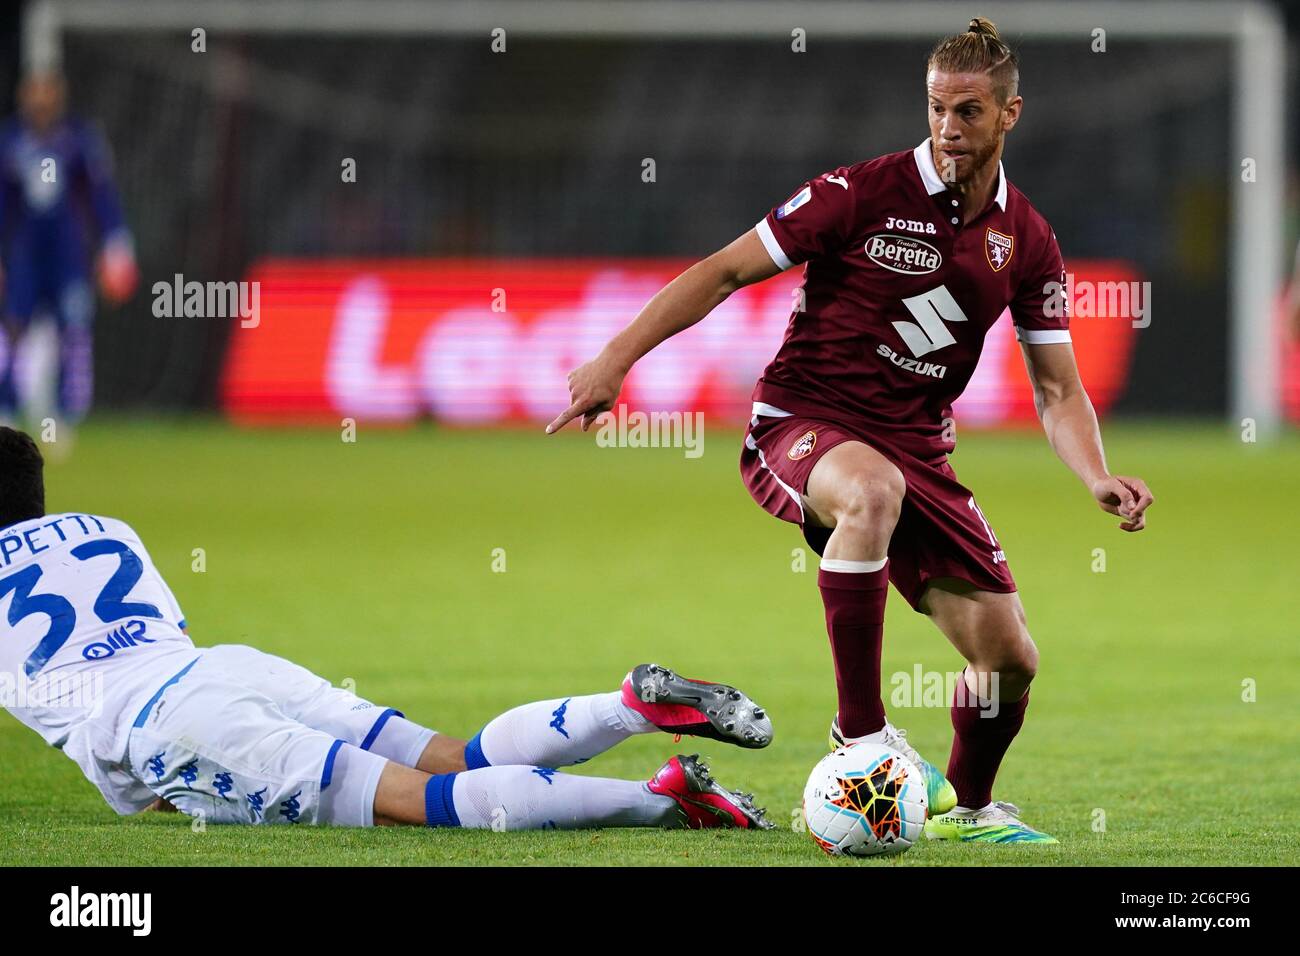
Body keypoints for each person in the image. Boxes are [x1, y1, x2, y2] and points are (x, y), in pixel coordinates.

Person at [548, 17, 1154, 844]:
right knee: (870, 491)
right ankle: (860, 735)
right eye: (937, 107)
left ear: (1011, 113)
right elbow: (724, 270)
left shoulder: (1031, 242)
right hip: (804, 421)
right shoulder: (857, 191)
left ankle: (969, 812)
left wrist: (1097, 476)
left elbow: (1057, 390)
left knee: (1008, 662)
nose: (948, 128)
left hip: (918, 451)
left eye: (970, 111)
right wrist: (616, 359)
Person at [0, 427, 773, 831]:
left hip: (168, 720)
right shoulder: (107, 528)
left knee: (421, 803)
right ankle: (629, 707)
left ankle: (661, 800)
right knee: (456, 757)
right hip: (227, 668)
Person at [0, 70, 137, 432]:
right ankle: (7, 407)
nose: (41, 100)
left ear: (59, 96)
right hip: (24, 254)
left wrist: (116, 243)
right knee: (13, 327)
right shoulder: (10, 141)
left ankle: (62, 416)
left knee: (72, 330)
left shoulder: (79, 140)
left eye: (48, 92)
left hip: (68, 255)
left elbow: (101, 197)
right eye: (34, 92)